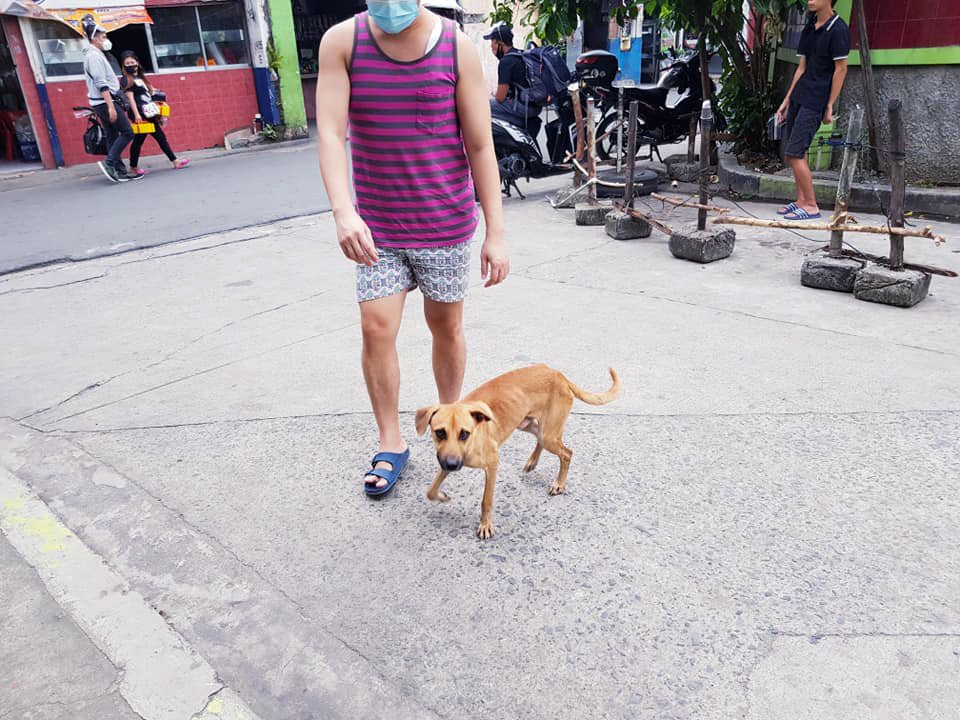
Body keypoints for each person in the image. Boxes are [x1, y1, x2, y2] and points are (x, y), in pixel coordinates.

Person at [315, 0, 509, 496]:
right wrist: (343, 211)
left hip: (444, 224)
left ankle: (450, 424)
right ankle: (392, 441)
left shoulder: (456, 47)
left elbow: (481, 145)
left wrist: (496, 232)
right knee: (375, 327)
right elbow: (333, 135)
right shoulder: (342, 42)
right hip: (376, 231)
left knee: (446, 327)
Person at [775, 0, 849, 220]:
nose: (810, 0)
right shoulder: (810, 23)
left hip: (816, 100)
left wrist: (829, 104)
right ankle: (800, 201)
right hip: (800, 95)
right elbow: (802, 67)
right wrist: (787, 99)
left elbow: (841, 69)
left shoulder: (839, 29)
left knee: (794, 153)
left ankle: (811, 205)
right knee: (798, 151)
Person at [81, 15, 141, 183]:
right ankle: (109, 163)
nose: (106, 39)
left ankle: (119, 171)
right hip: (105, 102)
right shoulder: (94, 57)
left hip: (103, 102)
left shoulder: (97, 54)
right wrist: (111, 107)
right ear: (94, 38)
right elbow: (102, 84)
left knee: (112, 135)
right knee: (127, 132)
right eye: (103, 36)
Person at [119, 51, 190, 175]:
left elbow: (149, 92)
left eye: (132, 62)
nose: (130, 65)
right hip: (140, 114)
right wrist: (136, 115)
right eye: (127, 63)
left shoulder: (140, 78)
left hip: (149, 112)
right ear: (124, 66)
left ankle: (134, 166)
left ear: (137, 62)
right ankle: (173, 161)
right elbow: (131, 100)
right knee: (149, 139)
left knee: (147, 139)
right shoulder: (126, 80)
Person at [485, 22, 535, 131]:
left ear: (499, 43)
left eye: (492, 44)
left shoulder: (506, 62)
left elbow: (500, 97)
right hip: (533, 105)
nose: (491, 47)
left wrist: (495, 94)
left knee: (484, 106)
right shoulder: (520, 54)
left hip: (524, 108)